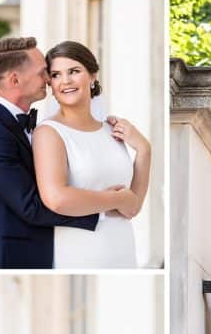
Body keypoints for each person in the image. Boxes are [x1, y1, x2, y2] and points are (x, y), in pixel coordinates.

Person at [0, 36, 135, 268]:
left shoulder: (17, 125)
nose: (48, 79)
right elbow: (31, 207)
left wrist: (142, 148)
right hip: (10, 260)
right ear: (15, 80)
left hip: (51, 253)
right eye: (44, 73)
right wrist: (111, 203)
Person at [33, 41, 151, 268]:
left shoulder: (111, 130)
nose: (65, 81)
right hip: (78, 251)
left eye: (74, 71)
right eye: (56, 75)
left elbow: (133, 207)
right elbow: (57, 199)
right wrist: (117, 199)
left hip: (122, 249)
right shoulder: (48, 133)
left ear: (92, 75)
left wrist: (144, 148)